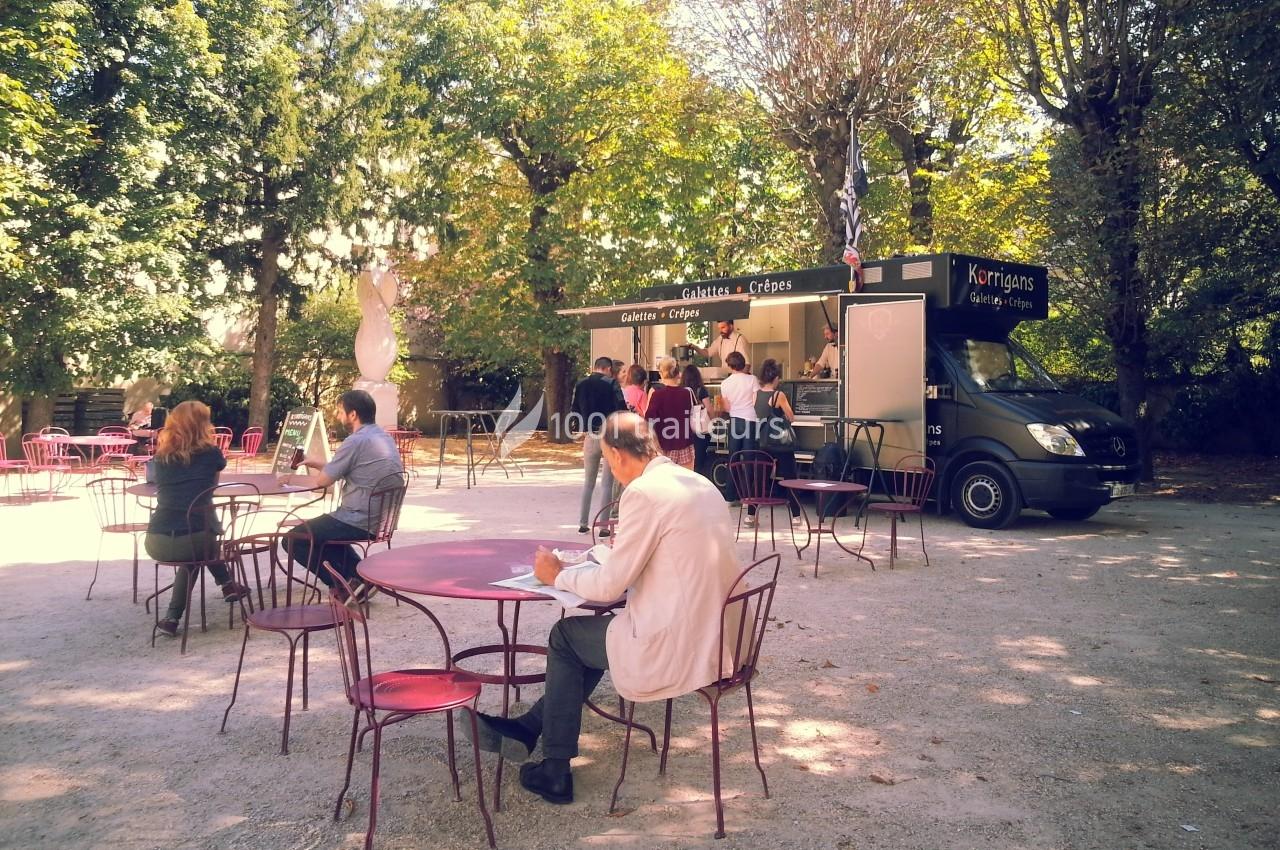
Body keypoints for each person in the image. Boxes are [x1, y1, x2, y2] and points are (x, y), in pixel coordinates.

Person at [467, 412, 742, 805]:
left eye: (609, 463)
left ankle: (555, 769)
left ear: (615, 455)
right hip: (721, 634)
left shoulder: (643, 493)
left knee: (566, 638)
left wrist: (556, 575)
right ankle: (528, 729)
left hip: (681, 643)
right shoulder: (697, 483)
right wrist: (602, 557)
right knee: (592, 639)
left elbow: (611, 586)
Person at [280, 389, 403, 598]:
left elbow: (323, 481)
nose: (338, 416)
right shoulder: (383, 437)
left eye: (340, 411)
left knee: (293, 539)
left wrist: (297, 478)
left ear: (352, 414)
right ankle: (362, 578)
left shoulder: (355, 441)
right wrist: (315, 463)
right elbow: (349, 468)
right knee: (322, 532)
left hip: (359, 519)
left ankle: (344, 584)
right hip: (383, 520)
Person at [145, 400, 249, 638]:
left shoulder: (161, 457)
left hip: (156, 538)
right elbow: (209, 491)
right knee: (197, 548)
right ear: (203, 424)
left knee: (197, 544)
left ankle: (227, 586)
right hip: (196, 539)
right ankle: (174, 615)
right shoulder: (211, 454)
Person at [571, 356, 627, 534]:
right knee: (607, 483)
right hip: (609, 436)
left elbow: (574, 410)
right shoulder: (611, 383)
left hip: (590, 435)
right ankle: (603, 527)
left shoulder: (581, 384)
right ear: (608, 369)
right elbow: (621, 408)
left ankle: (583, 523)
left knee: (588, 481)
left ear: (595, 367)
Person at [753, 358, 803, 526]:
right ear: (775, 378)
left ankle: (751, 515)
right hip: (779, 443)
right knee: (790, 477)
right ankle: (796, 516)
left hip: (762, 442)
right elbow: (791, 416)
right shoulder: (778, 395)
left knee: (759, 479)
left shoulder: (755, 394)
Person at [718, 350, 760, 518]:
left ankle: (730, 497)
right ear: (743, 364)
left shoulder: (725, 383)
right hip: (750, 420)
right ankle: (747, 499)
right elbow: (756, 401)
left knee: (733, 459)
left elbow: (726, 407)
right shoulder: (752, 379)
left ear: (729, 365)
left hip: (734, 421)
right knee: (748, 460)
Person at [644, 357, 696, 469]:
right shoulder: (686, 393)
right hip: (685, 444)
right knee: (685, 478)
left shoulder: (657, 395)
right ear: (677, 373)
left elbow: (648, 420)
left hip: (664, 446)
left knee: (665, 479)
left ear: (661, 373)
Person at [681, 363, 713, 478]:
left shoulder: (680, 390)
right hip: (700, 431)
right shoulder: (701, 390)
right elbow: (709, 409)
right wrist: (713, 419)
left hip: (684, 430)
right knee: (700, 461)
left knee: (687, 461)